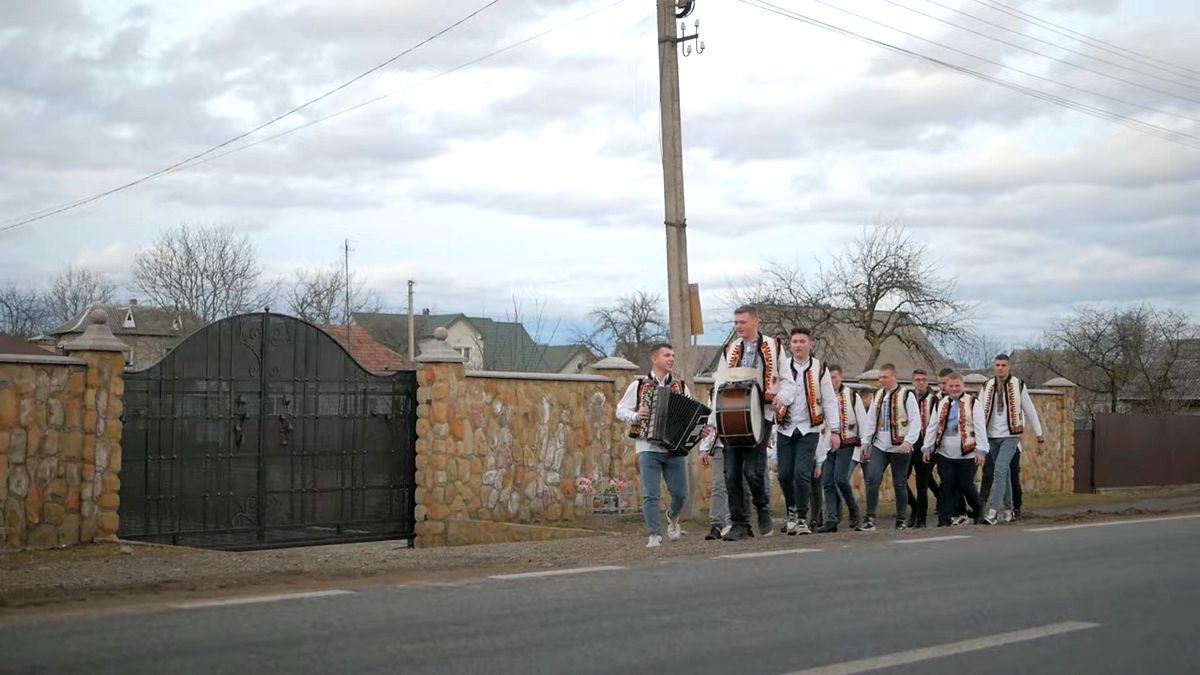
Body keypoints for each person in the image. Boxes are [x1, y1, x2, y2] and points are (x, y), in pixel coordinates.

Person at [706, 305, 783, 541]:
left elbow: (786, 379)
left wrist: (782, 397)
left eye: (742, 322)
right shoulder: (730, 349)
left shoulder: (773, 346)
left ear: (755, 323)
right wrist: (713, 419)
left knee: (752, 472)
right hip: (731, 416)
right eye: (736, 322)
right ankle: (740, 523)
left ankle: (762, 508)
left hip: (761, 415)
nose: (738, 326)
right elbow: (719, 384)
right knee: (731, 475)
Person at [615, 343, 701, 547]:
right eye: (667, 355)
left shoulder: (680, 386)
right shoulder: (638, 386)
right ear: (654, 359)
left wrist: (699, 428)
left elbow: (691, 414)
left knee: (680, 494)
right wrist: (636, 415)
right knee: (650, 493)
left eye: (673, 355)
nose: (671, 358)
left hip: (673, 447)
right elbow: (620, 410)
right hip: (647, 446)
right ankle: (654, 534)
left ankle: (672, 516)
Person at [773, 328, 840, 535]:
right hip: (785, 427)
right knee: (784, 475)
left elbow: (829, 399)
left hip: (808, 428)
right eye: (795, 341)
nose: (798, 345)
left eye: (802, 341)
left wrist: (835, 430)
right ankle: (792, 510)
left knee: (802, 474)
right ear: (790, 345)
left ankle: (802, 518)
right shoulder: (781, 366)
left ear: (810, 345)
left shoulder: (820, 368)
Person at [980, 354, 1044, 525]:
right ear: (994, 366)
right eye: (997, 365)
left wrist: (1040, 437)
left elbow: (1030, 411)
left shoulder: (1018, 385)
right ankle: (1009, 508)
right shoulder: (987, 385)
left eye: (1003, 365)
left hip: (1011, 435)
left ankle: (993, 511)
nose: (1000, 368)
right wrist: (977, 438)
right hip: (992, 436)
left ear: (1009, 367)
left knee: (999, 470)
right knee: (1005, 473)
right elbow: (978, 413)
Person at [857, 363, 920, 532]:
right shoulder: (878, 395)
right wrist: (866, 442)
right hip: (880, 444)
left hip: (900, 446)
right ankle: (869, 518)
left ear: (894, 377)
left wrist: (909, 441)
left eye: (885, 377)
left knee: (899, 482)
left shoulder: (907, 395)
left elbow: (915, 420)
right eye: (880, 377)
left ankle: (901, 519)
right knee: (872, 478)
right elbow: (871, 420)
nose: (882, 380)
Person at [921, 372, 989, 527]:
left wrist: (981, 450)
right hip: (945, 453)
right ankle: (944, 518)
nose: (954, 389)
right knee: (946, 485)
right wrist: (927, 447)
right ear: (946, 387)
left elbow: (980, 427)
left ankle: (978, 509)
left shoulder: (973, 403)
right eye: (951, 386)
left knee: (966, 485)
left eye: (957, 385)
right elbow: (933, 426)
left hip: (967, 452)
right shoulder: (940, 403)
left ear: (963, 386)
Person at [817, 364, 865, 533]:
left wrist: (865, 443)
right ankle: (831, 519)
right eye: (829, 378)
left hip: (847, 442)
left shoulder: (852, 396)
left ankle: (852, 508)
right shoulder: (822, 396)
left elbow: (862, 419)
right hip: (828, 444)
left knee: (840, 478)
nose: (832, 381)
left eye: (835, 377)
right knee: (827, 482)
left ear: (841, 377)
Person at [904, 369, 939, 528]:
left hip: (925, 444)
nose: (921, 382)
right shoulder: (906, 397)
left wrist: (931, 445)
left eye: (924, 379)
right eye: (918, 379)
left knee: (922, 483)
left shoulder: (934, 400)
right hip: (908, 443)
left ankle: (921, 519)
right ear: (912, 381)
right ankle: (914, 506)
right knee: (901, 479)